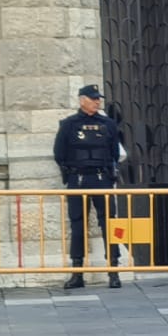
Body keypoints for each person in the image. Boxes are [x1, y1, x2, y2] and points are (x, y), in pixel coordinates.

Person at [53, 84, 123, 289]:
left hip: (102, 179)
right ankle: (77, 274)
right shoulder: (69, 125)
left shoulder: (108, 124)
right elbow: (59, 153)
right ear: (82, 100)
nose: (97, 102)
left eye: (98, 99)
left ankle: (114, 271)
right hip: (79, 179)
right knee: (78, 225)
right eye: (93, 99)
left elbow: (114, 153)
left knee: (110, 224)